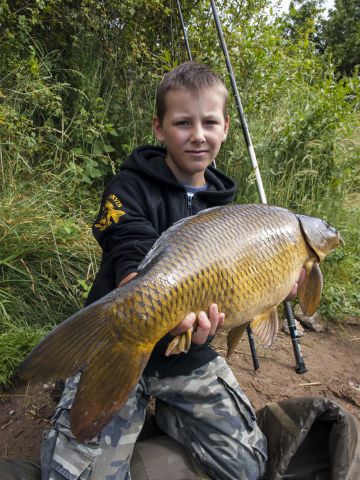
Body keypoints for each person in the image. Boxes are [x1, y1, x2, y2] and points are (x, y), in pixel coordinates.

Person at [41, 61, 269, 480]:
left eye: (209, 122)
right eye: (183, 122)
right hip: (118, 342)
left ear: (225, 128)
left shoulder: (231, 213)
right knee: (71, 476)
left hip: (187, 354)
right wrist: (149, 306)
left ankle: (167, 415)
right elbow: (130, 248)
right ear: (159, 128)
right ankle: (85, 381)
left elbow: (239, 294)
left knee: (248, 465)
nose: (198, 135)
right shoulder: (127, 186)